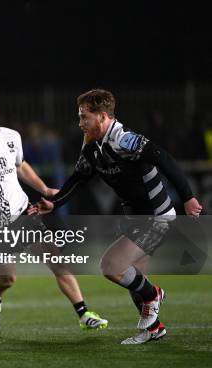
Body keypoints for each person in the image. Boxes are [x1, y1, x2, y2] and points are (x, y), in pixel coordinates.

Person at [32, 88, 203, 344]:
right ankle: (153, 328)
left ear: (101, 116)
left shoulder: (124, 140)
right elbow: (80, 177)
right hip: (136, 219)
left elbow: (164, 159)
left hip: (156, 217)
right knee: (134, 277)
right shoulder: (92, 145)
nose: (80, 123)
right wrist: (54, 203)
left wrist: (188, 198)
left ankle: (154, 295)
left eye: (84, 117)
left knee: (111, 266)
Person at [0, 89, 108, 335]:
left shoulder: (11, 137)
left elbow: (20, 166)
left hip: (22, 213)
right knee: (8, 279)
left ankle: (84, 314)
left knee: (58, 262)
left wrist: (43, 188)